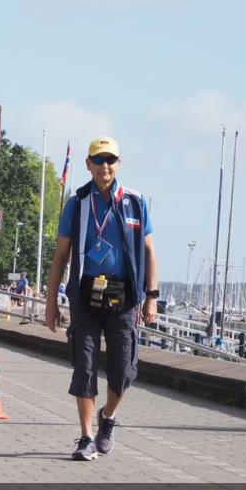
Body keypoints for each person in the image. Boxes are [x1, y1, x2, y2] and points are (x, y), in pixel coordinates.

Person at [44, 137, 158, 461]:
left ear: (119, 164)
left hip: (124, 297)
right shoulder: (78, 203)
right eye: (98, 160)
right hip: (85, 295)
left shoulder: (135, 202)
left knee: (123, 370)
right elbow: (61, 255)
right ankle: (85, 437)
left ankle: (107, 418)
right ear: (88, 164)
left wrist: (152, 297)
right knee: (85, 365)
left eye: (111, 160)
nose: (104, 166)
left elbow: (149, 252)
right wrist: (51, 302)